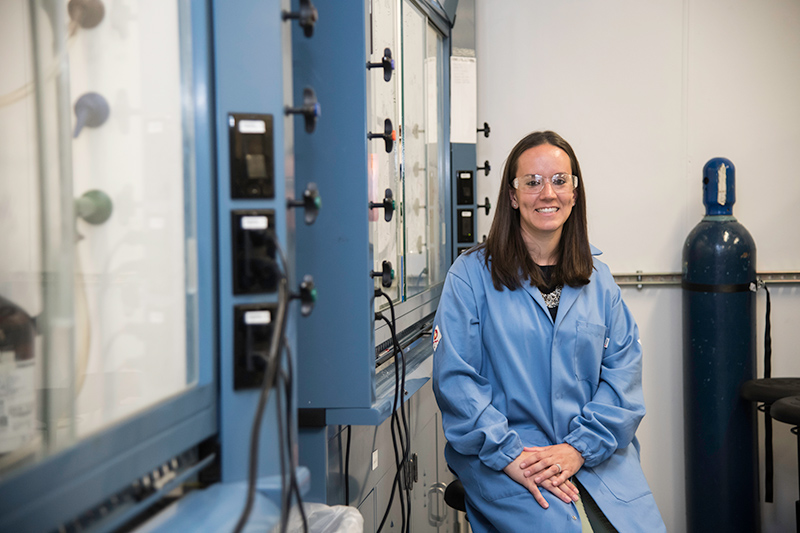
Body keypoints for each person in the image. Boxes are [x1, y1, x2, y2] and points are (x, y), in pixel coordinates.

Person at [431, 131, 666, 532]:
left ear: (575, 193)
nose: (547, 193)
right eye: (532, 182)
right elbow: (457, 383)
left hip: (594, 455)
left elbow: (623, 378)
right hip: (508, 456)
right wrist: (511, 456)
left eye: (559, 180)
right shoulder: (470, 277)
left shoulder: (599, 281)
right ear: (512, 195)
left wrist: (578, 449)